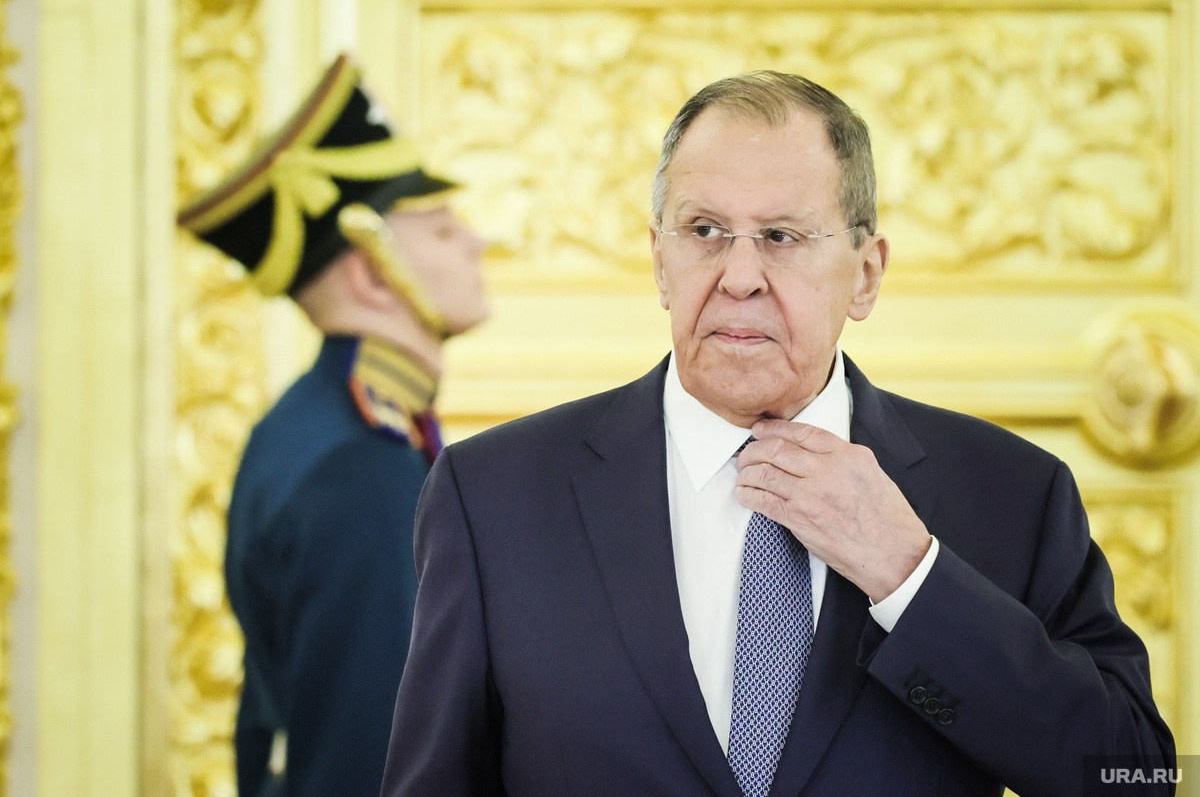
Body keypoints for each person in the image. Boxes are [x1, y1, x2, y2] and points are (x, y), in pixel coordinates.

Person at [379, 71, 1175, 797]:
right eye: (704, 231)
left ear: (866, 274)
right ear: (658, 260)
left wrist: (910, 577)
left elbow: (1135, 775)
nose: (738, 277)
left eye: (782, 237)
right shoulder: (492, 498)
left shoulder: (1012, 494)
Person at [176, 53, 488, 797]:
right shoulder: (358, 464)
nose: (477, 243)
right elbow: (374, 753)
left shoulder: (322, 427)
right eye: (442, 230)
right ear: (374, 273)